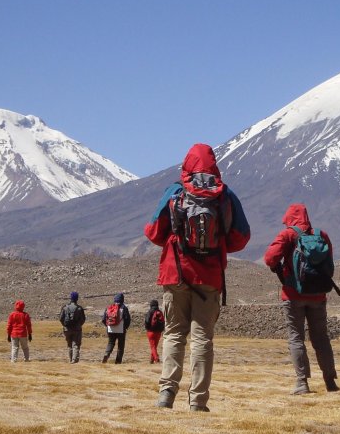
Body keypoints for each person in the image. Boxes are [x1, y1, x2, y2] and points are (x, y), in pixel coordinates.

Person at [144, 143, 250, 412]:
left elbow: (154, 233)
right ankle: (198, 401)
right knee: (202, 338)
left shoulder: (175, 192)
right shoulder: (225, 195)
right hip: (209, 277)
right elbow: (241, 238)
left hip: (176, 273)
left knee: (174, 334)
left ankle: (166, 393)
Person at [264, 203, 340, 395]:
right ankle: (330, 381)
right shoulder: (322, 235)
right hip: (318, 295)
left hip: (293, 295)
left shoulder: (288, 235)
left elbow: (270, 258)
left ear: (289, 218)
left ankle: (302, 383)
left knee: (296, 338)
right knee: (321, 338)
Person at [102, 293, 131, 364]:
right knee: (120, 346)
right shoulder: (124, 308)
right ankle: (118, 361)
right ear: (122, 299)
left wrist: (108, 326)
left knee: (111, 343)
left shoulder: (109, 307)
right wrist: (125, 327)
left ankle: (107, 354)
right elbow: (127, 319)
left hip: (110, 329)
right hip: (121, 330)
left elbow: (103, 319)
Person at [59, 291, 86, 363]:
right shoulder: (79, 308)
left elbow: (61, 318)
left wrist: (64, 325)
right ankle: (74, 360)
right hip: (77, 329)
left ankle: (70, 359)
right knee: (76, 344)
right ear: (77, 299)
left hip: (67, 329)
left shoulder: (65, 307)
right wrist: (79, 325)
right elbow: (83, 319)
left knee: (69, 345)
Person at [144, 299, 165, 364]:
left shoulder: (150, 312)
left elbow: (147, 321)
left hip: (151, 332)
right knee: (154, 346)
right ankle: (151, 360)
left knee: (153, 346)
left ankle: (156, 358)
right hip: (158, 332)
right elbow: (163, 322)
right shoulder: (160, 312)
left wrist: (147, 328)